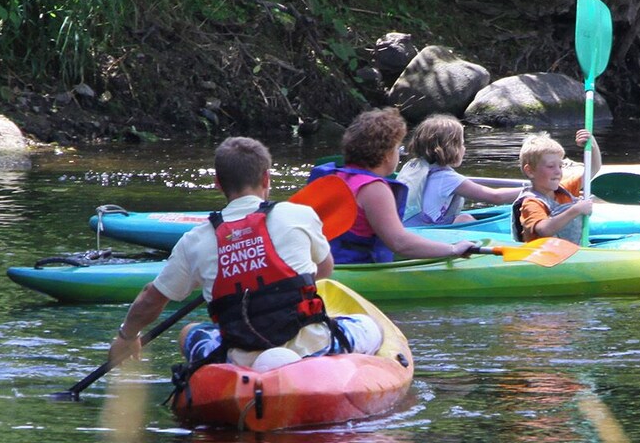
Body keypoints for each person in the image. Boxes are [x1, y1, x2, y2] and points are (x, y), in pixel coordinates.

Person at [108, 137, 382, 374]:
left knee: (189, 333)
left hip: (241, 360)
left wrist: (126, 336)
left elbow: (151, 297)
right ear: (266, 178)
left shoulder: (194, 240)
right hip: (314, 350)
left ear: (218, 183)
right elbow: (324, 270)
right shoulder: (298, 214)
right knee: (371, 326)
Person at [310, 108, 479, 263]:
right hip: (354, 269)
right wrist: (453, 249)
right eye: (398, 148)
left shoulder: (337, 176)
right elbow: (400, 243)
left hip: (327, 263)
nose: (400, 154)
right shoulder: (373, 189)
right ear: (386, 155)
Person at [395, 114, 525, 226]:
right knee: (465, 219)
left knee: (462, 218)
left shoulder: (414, 166)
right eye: (462, 144)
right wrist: (535, 189)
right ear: (450, 148)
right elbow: (496, 197)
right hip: (423, 231)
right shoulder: (446, 178)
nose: (464, 149)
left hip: (405, 225)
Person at [512, 130, 600, 244]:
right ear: (530, 171)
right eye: (550, 166)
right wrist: (576, 209)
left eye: (560, 166)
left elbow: (593, 169)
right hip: (544, 257)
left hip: (572, 251)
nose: (558, 171)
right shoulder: (531, 203)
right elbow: (544, 230)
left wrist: (592, 144)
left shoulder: (564, 189)